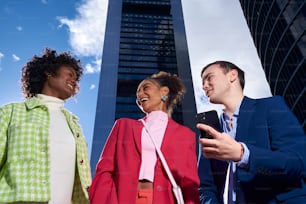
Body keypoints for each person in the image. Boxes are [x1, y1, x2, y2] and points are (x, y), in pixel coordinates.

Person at [197, 60, 306, 203]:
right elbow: (206, 187)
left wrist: (243, 155)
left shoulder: (271, 107)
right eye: (203, 82)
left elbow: (297, 162)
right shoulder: (210, 130)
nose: (204, 86)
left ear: (232, 75)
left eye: (209, 77)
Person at [89, 71, 200, 204]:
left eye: (146, 88)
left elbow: (189, 182)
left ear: (164, 92)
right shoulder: (123, 125)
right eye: (137, 93)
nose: (140, 95)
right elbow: (104, 170)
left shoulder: (185, 134)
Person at [0, 48, 92, 204]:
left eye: (76, 78)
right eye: (70, 74)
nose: (74, 80)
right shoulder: (11, 112)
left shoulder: (75, 126)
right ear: (49, 72)